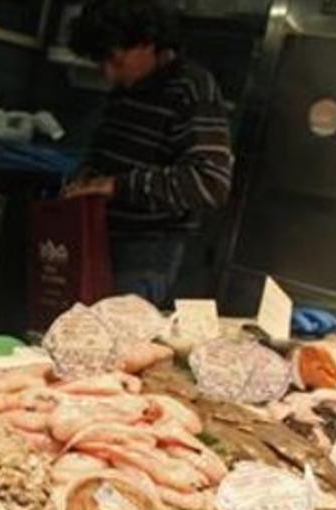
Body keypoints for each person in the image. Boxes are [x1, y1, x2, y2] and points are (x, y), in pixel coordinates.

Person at [64, 0, 234, 307]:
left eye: (115, 60)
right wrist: (86, 177)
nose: (108, 74)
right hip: (98, 236)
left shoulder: (192, 89)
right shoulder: (129, 85)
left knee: (118, 343)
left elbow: (210, 182)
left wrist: (117, 186)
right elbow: (106, 153)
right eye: (100, 62)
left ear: (148, 42)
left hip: (145, 252)